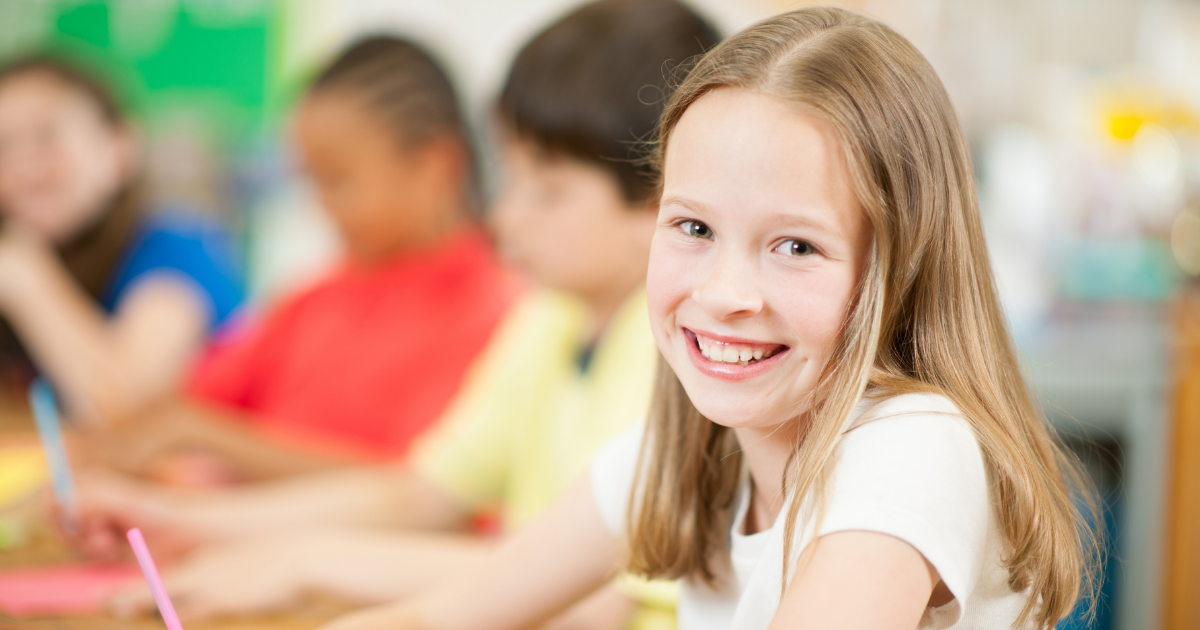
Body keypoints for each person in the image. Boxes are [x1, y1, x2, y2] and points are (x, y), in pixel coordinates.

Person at [317, 7, 1101, 630]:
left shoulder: (914, 448)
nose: (727, 293)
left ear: (903, 268)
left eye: (795, 245)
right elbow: (441, 615)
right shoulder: (691, 448)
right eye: (693, 228)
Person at [78, 2, 718, 627]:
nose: (504, 216)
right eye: (509, 178)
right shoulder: (550, 317)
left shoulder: (682, 358)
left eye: (546, 190)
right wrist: (176, 518)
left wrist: (309, 561)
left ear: (663, 204)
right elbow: (422, 493)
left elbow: (595, 601)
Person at [81, 36, 521, 481]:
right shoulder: (318, 295)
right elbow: (190, 403)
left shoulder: (492, 313)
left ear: (435, 165)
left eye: (337, 180)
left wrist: (206, 436)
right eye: (312, 181)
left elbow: (418, 488)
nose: (321, 205)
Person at [0, 56, 242, 424]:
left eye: (45, 137)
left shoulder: (178, 247)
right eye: (2, 146)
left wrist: (30, 281)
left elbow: (124, 411)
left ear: (119, 148)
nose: (21, 165)